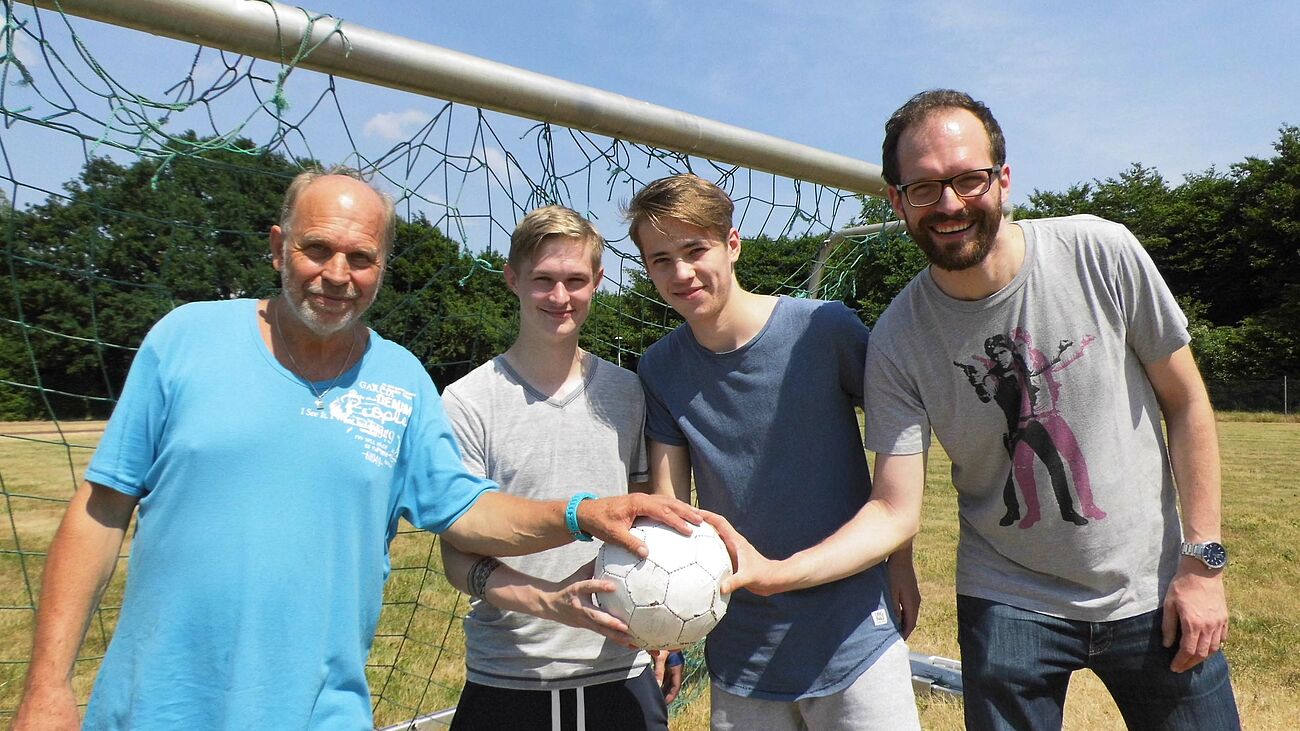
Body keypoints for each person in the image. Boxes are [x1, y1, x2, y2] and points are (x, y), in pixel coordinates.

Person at [13, 169, 701, 730]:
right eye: (317, 248)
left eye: (361, 257)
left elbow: (464, 513)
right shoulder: (184, 339)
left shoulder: (400, 378)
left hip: (324, 710)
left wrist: (582, 511)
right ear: (278, 245)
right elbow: (101, 511)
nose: (336, 273)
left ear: (381, 267)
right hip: (161, 705)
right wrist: (47, 685)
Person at [716, 89, 1240, 730]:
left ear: (1004, 179)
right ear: (896, 200)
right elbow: (892, 506)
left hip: (1150, 581)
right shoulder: (897, 338)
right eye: (925, 188)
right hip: (1008, 595)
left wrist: (1203, 562)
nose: (949, 204)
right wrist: (781, 572)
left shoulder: (1101, 253)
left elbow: (1186, 404)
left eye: (969, 179)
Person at [626, 174, 921, 731]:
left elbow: (900, 446)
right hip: (743, 648)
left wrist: (900, 561)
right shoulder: (660, 368)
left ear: (732, 244)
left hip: (853, 629)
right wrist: (666, 622)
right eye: (661, 259)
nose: (682, 272)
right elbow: (670, 507)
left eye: (696, 249)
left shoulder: (823, 329)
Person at [437, 205, 674, 730]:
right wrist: (550, 603)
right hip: (509, 676)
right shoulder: (467, 402)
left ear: (598, 282)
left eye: (575, 280)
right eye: (543, 280)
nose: (560, 297)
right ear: (512, 278)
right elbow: (458, 558)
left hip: (621, 670)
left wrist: (663, 629)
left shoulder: (629, 393)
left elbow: (649, 532)